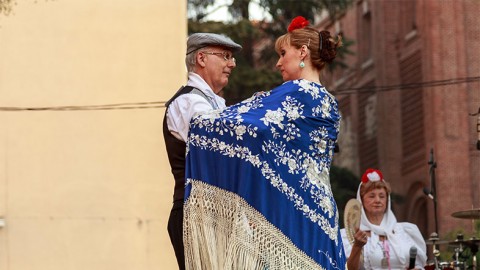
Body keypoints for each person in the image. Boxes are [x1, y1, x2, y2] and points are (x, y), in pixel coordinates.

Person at [182, 16, 345, 269]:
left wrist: (199, 121)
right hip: (323, 215)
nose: (278, 62)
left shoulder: (297, 92)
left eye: (283, 53)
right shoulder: (329, 102)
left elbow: (245, 124)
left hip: (290, 219)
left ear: (303, 52)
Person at [163, 32, 242, 270]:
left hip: (211, 217)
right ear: (201, 58)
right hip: (195, 216)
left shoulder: (210, 103)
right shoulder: (189, 102)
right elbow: (219, 146)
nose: (232, 63)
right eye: (225, 56)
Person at [341, 168, 427, 270]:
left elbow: (420, 265)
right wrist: (357, 246)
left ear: (387, 200)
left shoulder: (406, 231)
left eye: (382, 196)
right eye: (371, 196)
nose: (377, 200)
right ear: (361, 200)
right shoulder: (351, 235)